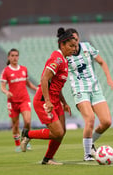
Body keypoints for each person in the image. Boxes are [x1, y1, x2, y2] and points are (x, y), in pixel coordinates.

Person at [20, 28, 77, 165]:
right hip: (44, 101)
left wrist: (64, 102)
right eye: (71, 46)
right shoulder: (56, 59)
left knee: (62, 132)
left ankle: (47, 159)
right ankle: (27, 134)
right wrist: (47, 101)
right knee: (57, 132)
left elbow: (57, 85)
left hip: (56, 100)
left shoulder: (65, 60)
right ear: (62, 45)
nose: (74, 49)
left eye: (75, 46)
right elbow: (44, 79)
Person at [66, 28, 113, 161]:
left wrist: (109, 78)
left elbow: (102, 62)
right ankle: (87, 154)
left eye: (76, 39)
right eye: (72, 41)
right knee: (90, 119)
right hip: (80, 90)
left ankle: (90, 143)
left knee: (106, 122)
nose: (75, 43)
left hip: (95, 88)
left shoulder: (87, 47)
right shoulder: (65, 55)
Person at [0, 48, 38, 152]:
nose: (15, 58)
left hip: (24, 100)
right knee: (15, 125)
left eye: (16, 55)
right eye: (12, 56)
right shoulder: (6, 71)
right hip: (13, 102)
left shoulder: (23, 69)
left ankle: (25, 141)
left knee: (27, 121)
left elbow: (27, 83)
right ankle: (17, 145)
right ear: (9, 57)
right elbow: (2, 87)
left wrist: (36, 88)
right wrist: (6, 92)